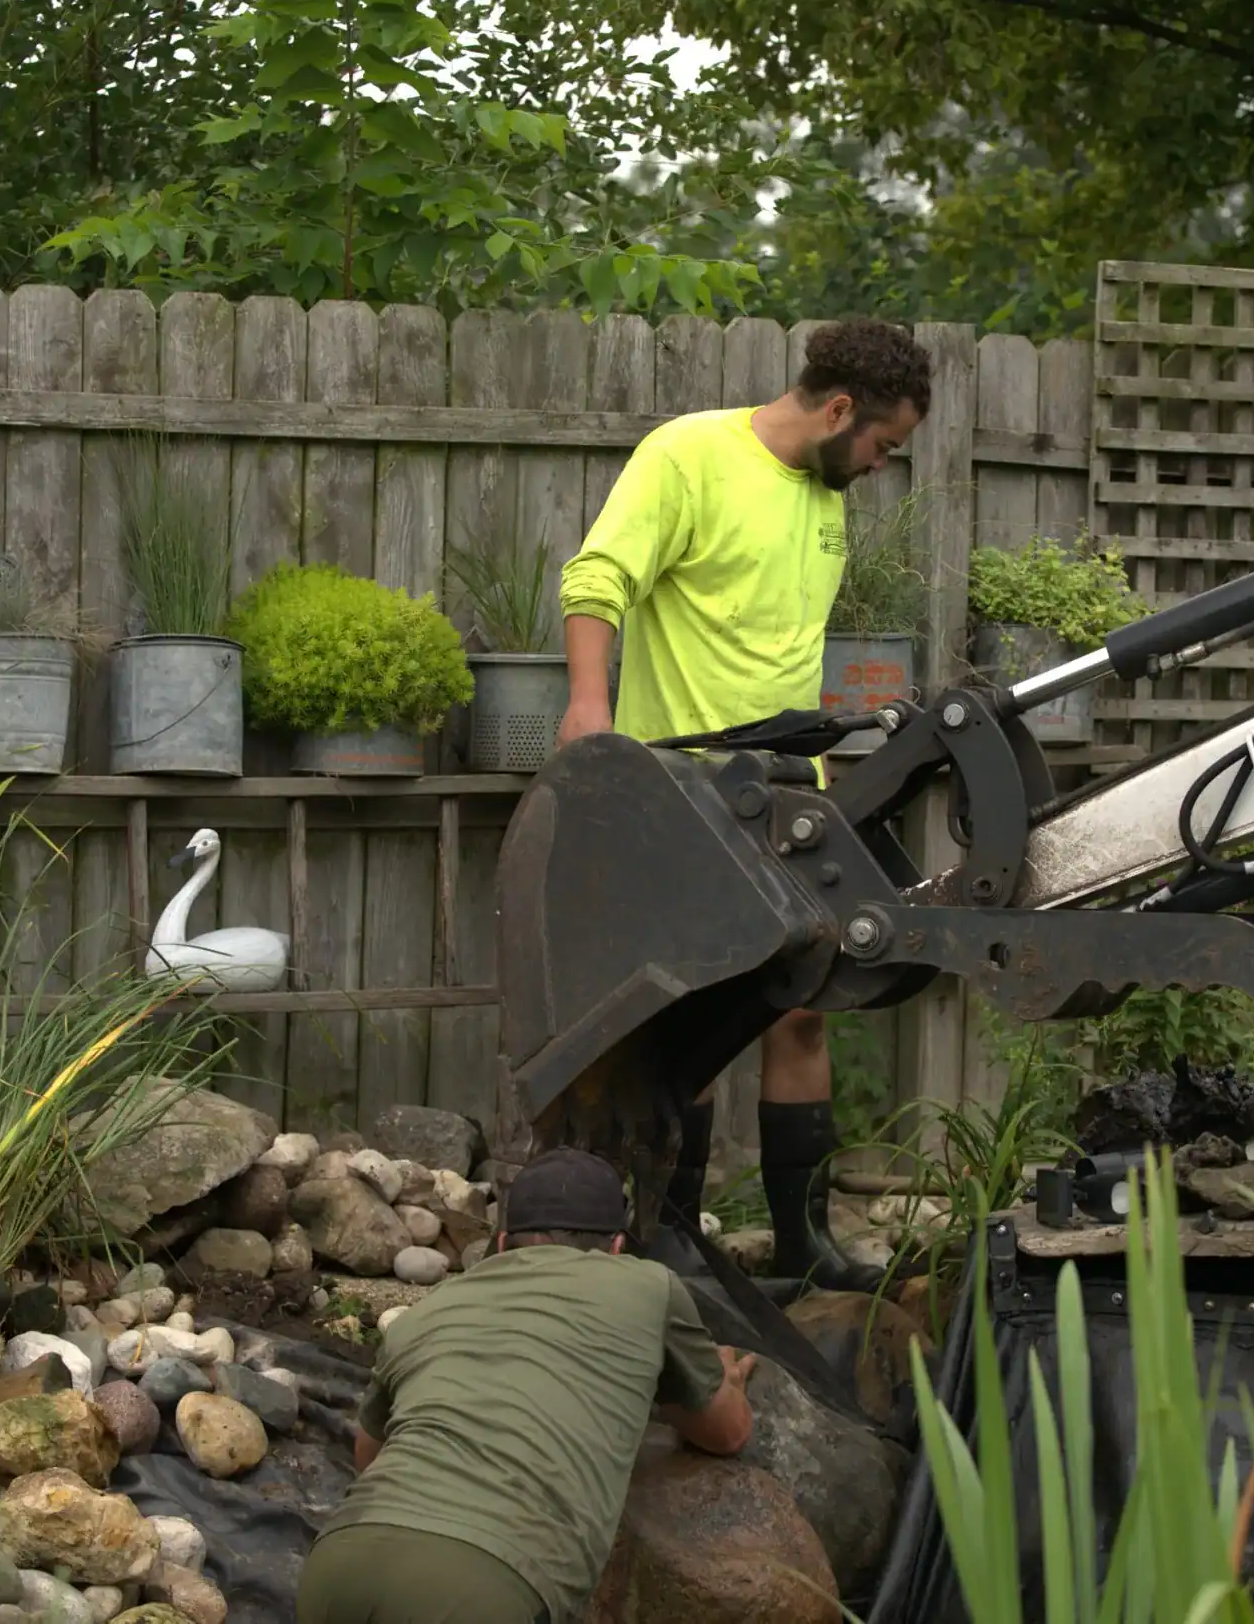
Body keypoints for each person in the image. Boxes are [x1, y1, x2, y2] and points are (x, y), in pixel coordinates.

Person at [555, 317, 934, 1293]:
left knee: (801, 1012)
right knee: (695, 1016)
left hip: (784, 792)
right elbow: (598, 578)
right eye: (884, 446)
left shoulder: (822, 492)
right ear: (839, 409)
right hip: (682, 791)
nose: (883, 465)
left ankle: (804, 1242)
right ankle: (670, 1235)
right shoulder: (687, 456)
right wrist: (588, 709)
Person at [296, 1147, 758, 1624]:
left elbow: (368, 1457)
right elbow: (727, 1432)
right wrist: (722, 1383)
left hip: (340, 1562)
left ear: (500, 1244)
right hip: (484, 1582)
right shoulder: (650, 1286)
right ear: (618, 1248)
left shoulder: (432, 1307)